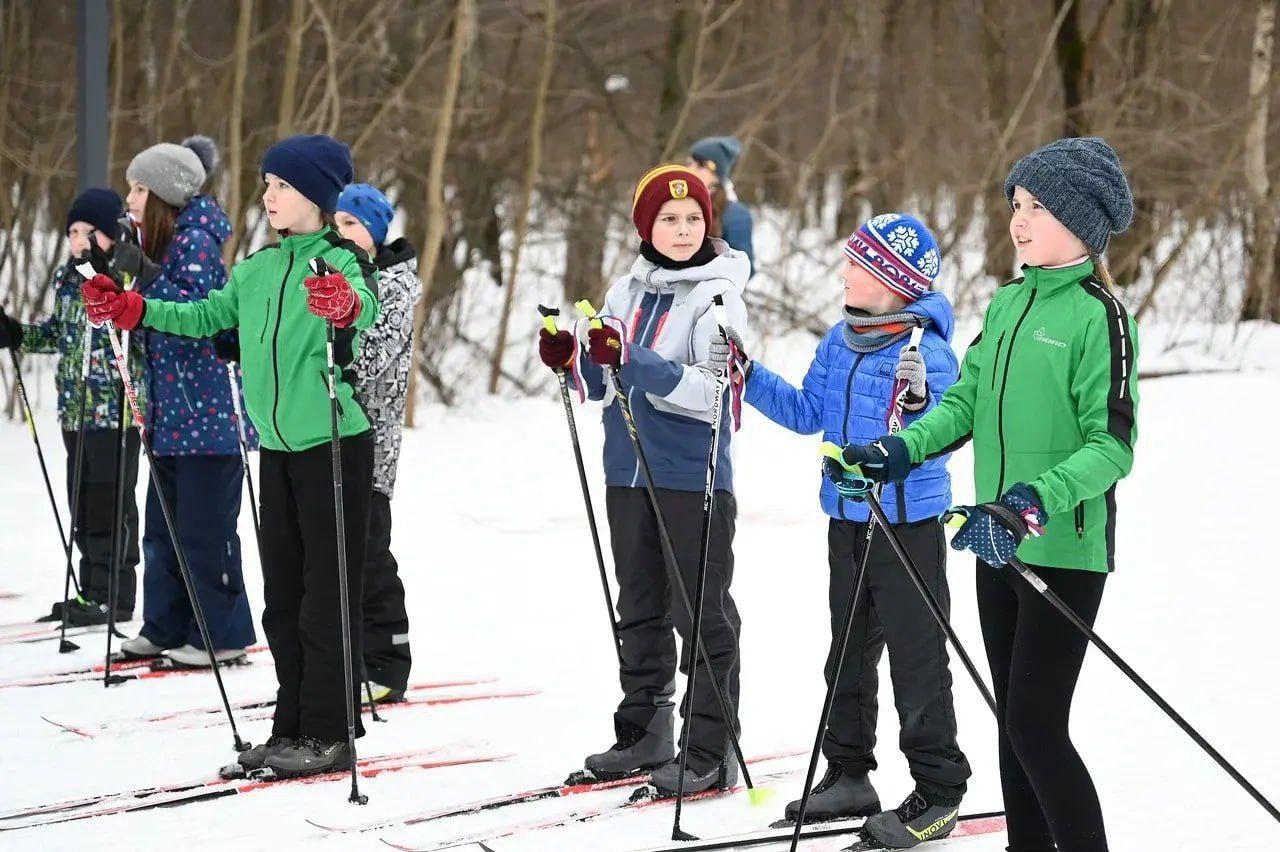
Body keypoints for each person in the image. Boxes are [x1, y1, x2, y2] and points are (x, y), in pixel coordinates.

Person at [841, 137, 1138, 851]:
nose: (1020, 219)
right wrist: (899, 447)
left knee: (1037, 722)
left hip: (1061, 546)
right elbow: (965, 403)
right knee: (1013, 720)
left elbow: (1112, 446)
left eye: (1039, 207)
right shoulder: (1007, 305)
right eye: (1015, 204)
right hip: (993, 539)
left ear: (1083, 221)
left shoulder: (1100, 317)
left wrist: (1032, 500)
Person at [81, 134, 381, 779]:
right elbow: (203, 316)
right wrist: (132, 307)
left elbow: (362, 304)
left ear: (316, 196)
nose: (268, 196)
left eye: (281, 186)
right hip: (275, 447)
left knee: (324, 595)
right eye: (267, 184)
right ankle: (292, 725)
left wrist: (343, 306)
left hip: (332, 443)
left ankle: (329, 730)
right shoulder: (256, 268)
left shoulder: (340, 259)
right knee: (282, 596)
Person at [737, 213, 971, 835]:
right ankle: (848, 775)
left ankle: (938, 788)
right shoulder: (839, 341)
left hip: (907, 526)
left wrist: (919, 407)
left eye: (857, 264)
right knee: (846, 652)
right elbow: (808, 412)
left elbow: (945, 437)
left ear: (893, 282)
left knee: (916, 659)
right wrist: (748, 375)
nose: (842, 272)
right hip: (846, 522)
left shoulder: (930, 353)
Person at [539, 165, 751, 796]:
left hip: (692, 475)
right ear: (645, 226)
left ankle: (710, 747)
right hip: (626, 472)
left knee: (700, 612)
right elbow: (605, 385)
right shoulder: (625, 291)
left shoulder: (718, 296)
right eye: (668, 219)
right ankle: (645, 729)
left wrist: (638, 360)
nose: (683, 229)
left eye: (693, 219)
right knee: (640, 606)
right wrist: (574, 359)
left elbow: (718, 394)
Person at [116, 135, 258, 667]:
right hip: (170, 417)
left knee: (204, 534)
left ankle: (221, 634)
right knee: (162, 531)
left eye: (138, 188)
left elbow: (200, 318)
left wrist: (147, 281)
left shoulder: (197, 240)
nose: (129, 198)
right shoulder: (161, 242)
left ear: (163, 195)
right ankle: (165, 623)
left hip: (207, 418)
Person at [0, 188, 145, 626]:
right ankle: (91, 589)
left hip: (114, 413)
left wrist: (114, 279)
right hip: (76, 412)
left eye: (90, 232)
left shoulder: (127, 273)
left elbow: (140, 327)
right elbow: (61, 336)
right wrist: (18, 334)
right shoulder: (68, 277)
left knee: (110, 505)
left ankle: (115, 593)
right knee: (82, 503)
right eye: (73, 232)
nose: (79, 241)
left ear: (113, 234)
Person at [334, 183, 419, 701]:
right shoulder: (340, 276)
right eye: (336, 223)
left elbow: (365, 363)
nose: (341, 234)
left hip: (372, 439)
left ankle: (387, 661)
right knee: (337, 550)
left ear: (374, 232)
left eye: (351, 225)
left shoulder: (393, 287)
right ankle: (346, 656)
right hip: (330, 432)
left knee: (369, 551)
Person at [688, 136, 754, 277]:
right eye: (690, 163)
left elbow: (745, 268)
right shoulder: (681, 204)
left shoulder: (735, 214)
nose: (690, 169)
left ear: (717, 175)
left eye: (700, 165)